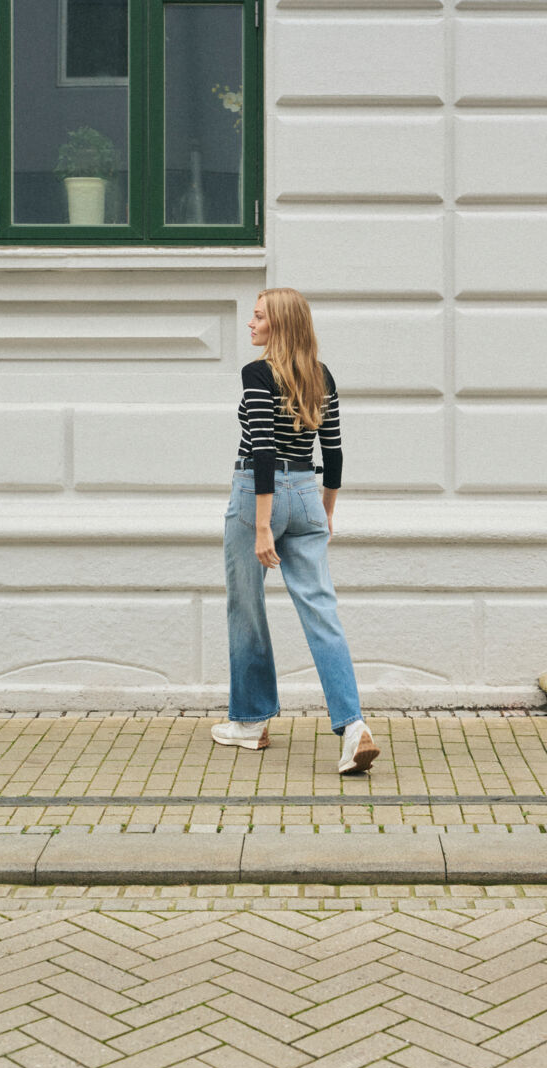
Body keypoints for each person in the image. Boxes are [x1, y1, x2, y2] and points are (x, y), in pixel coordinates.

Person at [211, 287, 381, 774]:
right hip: (307, 491)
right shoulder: (320, 375)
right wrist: (325, 510)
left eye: (259, 317)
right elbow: (336, 453)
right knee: (321, 611)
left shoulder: (257, 373)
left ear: (279, 325)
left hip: (256, 495)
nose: (251, 324)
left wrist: (263, 525)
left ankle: (249, 722)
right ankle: (353, 727)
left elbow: (262, 451)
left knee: (246, 606)